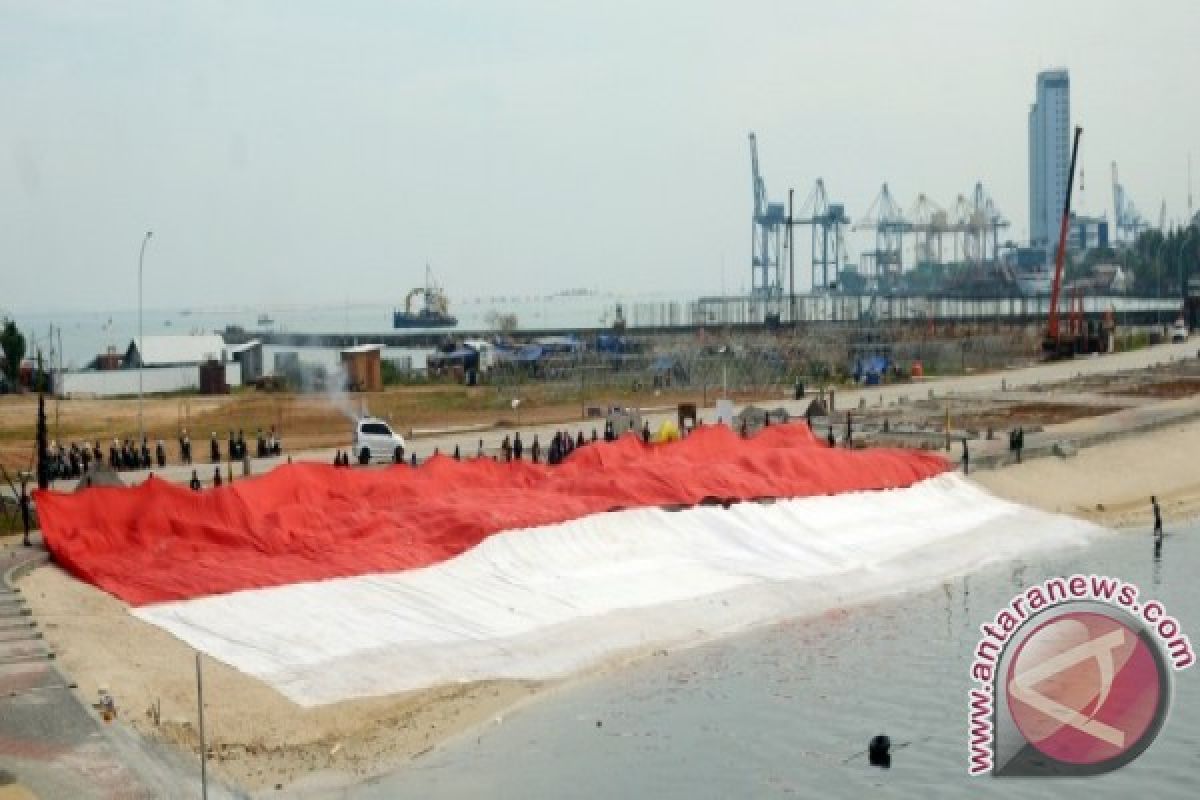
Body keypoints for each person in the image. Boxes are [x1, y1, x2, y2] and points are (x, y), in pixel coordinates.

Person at [19, 481, 32, 547]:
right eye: (28, 499)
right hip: (25, 515)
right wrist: (23, 486)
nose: (29, 499)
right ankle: (26, 540)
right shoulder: (24, 504)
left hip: (25, 515)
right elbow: (23, 494)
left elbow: (23, 495)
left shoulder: (25, 504)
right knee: (27, 527)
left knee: (27, 527)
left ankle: (26, 539)